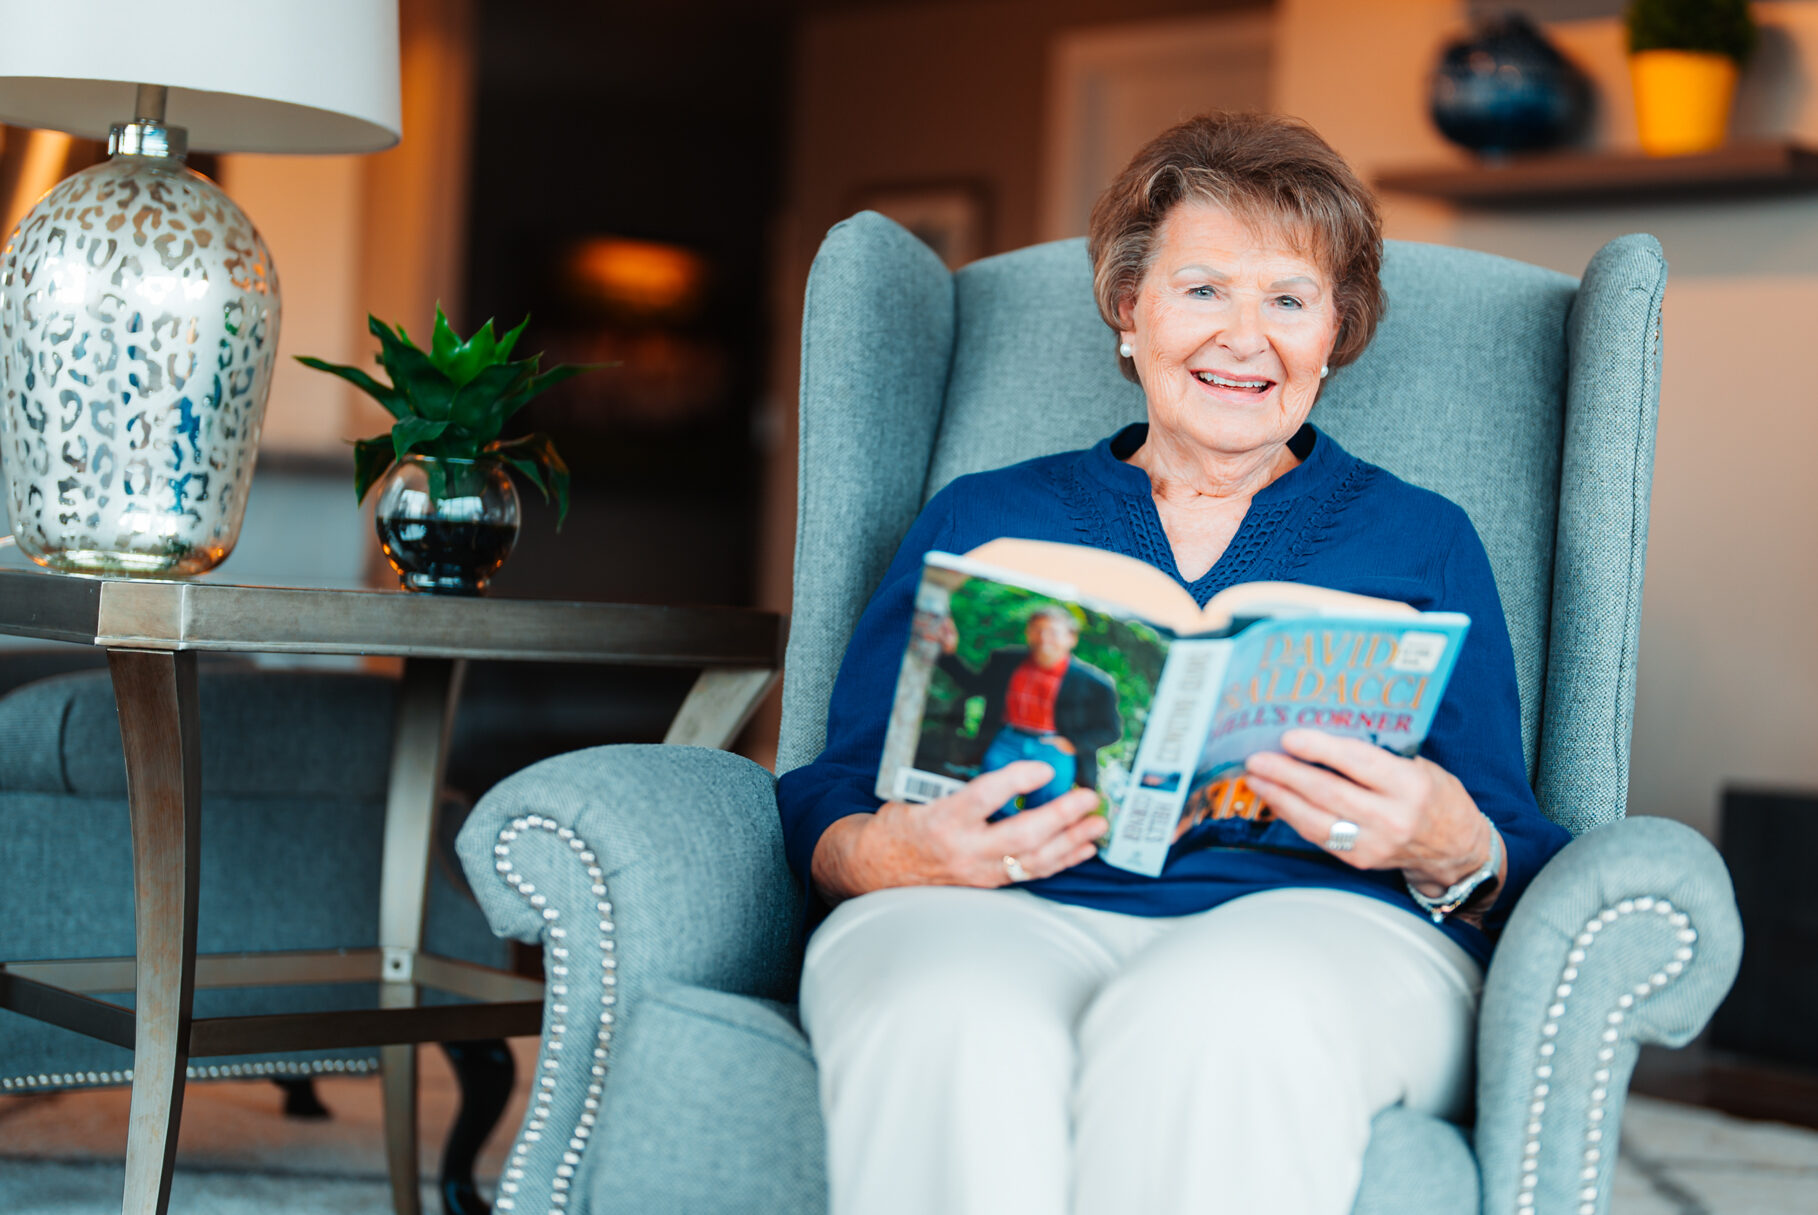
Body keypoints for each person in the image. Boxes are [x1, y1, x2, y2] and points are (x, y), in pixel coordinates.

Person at [776, 111, 1571, 1215]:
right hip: (998, 901)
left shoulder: (1421, 537)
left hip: (1318, 920)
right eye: (1203, 290)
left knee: (1216, 1014)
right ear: (1129, 309)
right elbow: (832, 780)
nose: (1245, 337)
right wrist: (882, 855)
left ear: (1335, 331)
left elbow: (1512, 838)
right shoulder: (984, 518)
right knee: (940, 1009)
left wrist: (1452, 844)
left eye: (1289, 301)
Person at [936, 605, 1121, 808]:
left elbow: (1110, 731)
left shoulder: (1095, 683)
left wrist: (1072, 744)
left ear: (1071, 638)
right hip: (1007, 740)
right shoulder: (1005, 661)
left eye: (1053, 632)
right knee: (989, 801)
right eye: (1037, 630)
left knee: (1047, 808)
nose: (1044, 638)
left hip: (1053, 747)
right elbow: (973, 685)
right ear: (1028, 633)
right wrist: (948, 654)